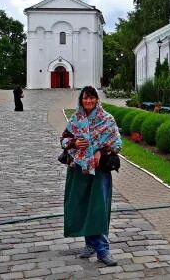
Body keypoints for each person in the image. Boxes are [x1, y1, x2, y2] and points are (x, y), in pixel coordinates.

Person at [61, 86, 122, 266]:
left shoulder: (107, 119)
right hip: (79, 170)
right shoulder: (75, 119)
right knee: (83, 205)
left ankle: (103, 250)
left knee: (98, 208)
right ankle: (90, 244)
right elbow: (63, 140)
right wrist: (74, 142)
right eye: (85, 98)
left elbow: (117, 143)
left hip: (99, 172)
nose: (88, 101)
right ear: (81, 100)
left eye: (92, 98)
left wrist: (101, 151)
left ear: (97, 99)